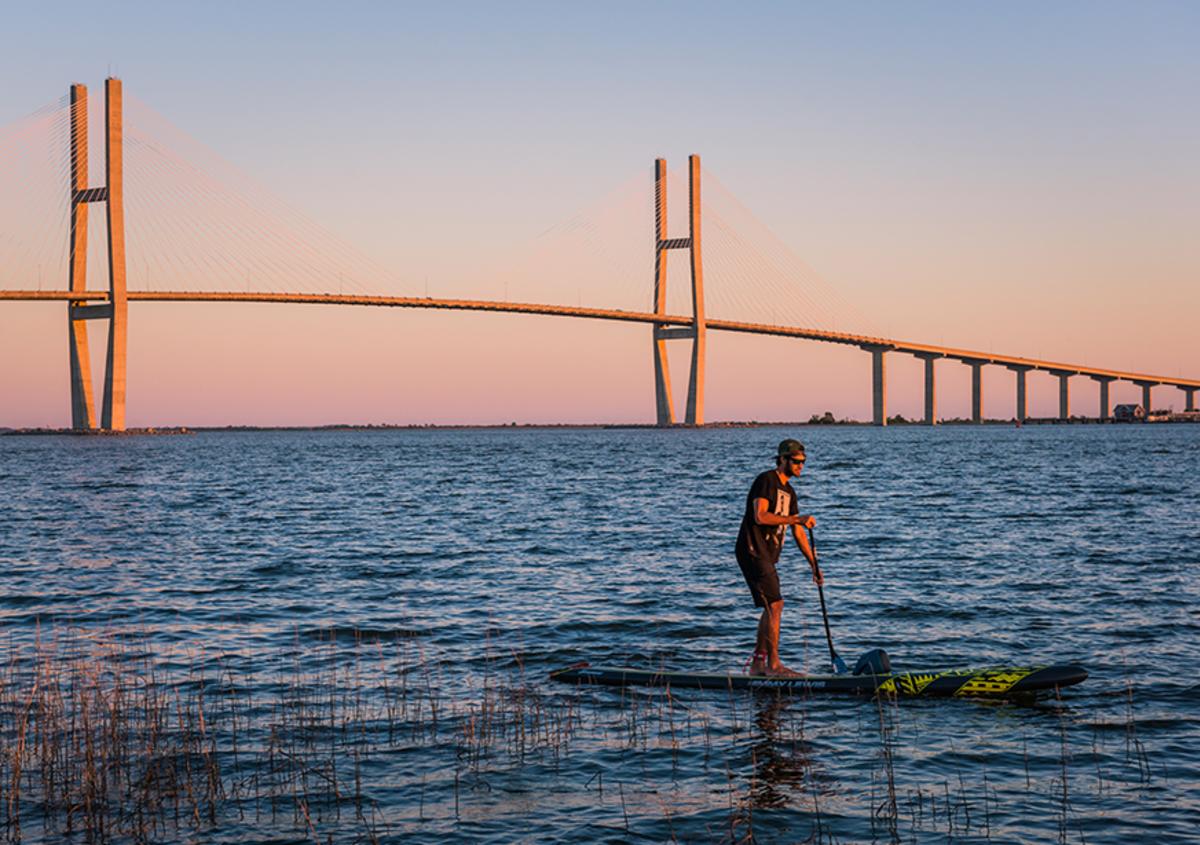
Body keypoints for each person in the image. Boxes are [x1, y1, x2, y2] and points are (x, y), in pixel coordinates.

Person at [735, 438, 822, 676]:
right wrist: (796, 518)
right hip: (752, 549)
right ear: (782, 459)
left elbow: (798, 532)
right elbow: (760, 516)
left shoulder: (790, 492)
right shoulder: (766, 480)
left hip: (767, 555)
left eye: (803, 462)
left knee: (770, 605)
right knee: (776, 605)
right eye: (795, 461)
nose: (800, 466)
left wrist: (813, 564)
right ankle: (773, 665)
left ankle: (758, 664)